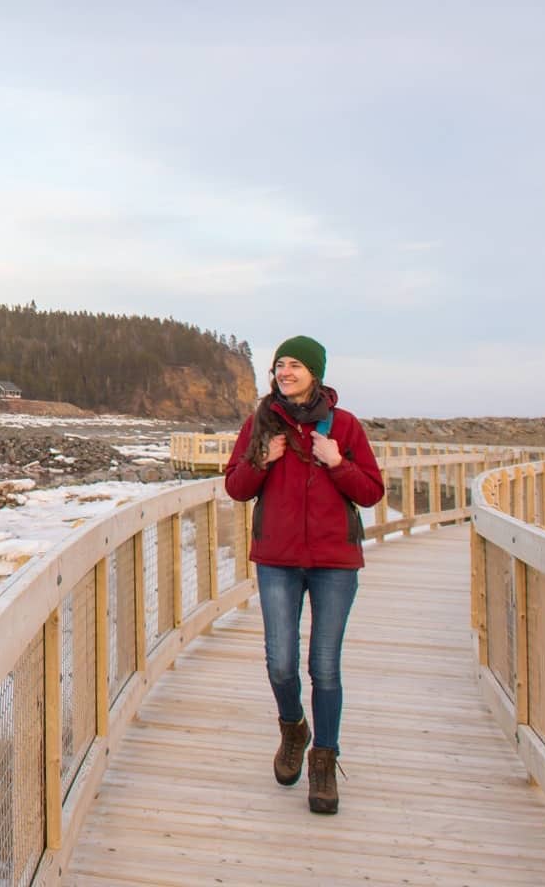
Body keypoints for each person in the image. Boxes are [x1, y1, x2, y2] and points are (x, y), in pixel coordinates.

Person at [223, 335, 384, 815]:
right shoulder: (260, 423)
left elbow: (372, 492)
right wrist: (262, 460)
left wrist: (338, 462)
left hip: (335, 562)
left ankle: (324, 761)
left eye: (295, 365)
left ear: (315, 372)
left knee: (325, 666)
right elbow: (236, 487)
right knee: (280, 662)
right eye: (280, 365)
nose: (285, 372)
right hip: (277, 560)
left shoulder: (345, 426)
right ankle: (293, 727)